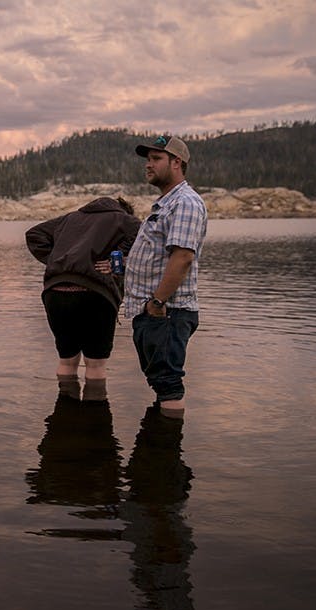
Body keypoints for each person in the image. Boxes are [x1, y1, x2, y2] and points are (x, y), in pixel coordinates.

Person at [123, 135, 207, 419]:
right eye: (148, 159)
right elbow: (156, 256)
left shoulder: (185, 202)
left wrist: (157, 303)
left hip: (166, 312)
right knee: (161, 382)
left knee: (168, 384)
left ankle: (166, 454)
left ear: (177, 163)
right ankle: (161, 454)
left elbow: (182, 258)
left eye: (156, 159)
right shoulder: (165, 204)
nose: (148, 165)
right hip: (156, 312)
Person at [26, 197, 140, 401]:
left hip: (55, 292)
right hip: (95, 294)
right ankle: (93, 420)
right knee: (95, 364)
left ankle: (66, 411)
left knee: (67, 360)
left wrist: (60, 260)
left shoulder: (71, 218)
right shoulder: (125, 220)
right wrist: (119, 257)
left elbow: (34, 234)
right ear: (125, 211)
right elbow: (142, 235)